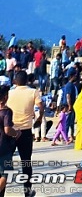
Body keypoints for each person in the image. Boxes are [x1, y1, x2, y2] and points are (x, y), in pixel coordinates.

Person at [6, 69, 43, 197]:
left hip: (9, 131)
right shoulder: (33, 92)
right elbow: (41, 106)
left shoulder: (9, 93)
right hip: (25, 132)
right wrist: (39, 118)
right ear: (27, 80)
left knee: (5, 161)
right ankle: (27, 192)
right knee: (26, 162)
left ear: (15, 81)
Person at [0, 83, 21, 197]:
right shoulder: (6, 111)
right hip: (3, 147)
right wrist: (16, 133)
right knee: (7, 173)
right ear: (5, 97)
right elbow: (7, 130)